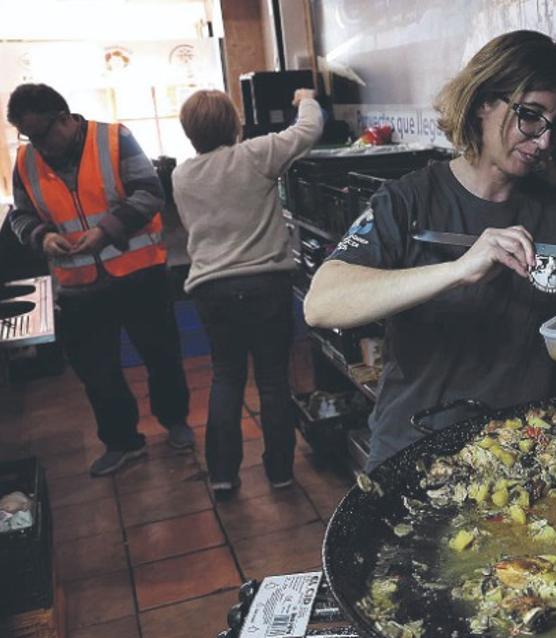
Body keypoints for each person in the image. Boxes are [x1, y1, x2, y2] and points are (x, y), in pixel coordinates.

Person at [304, 30, 556, 471]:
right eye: (531, 116)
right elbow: (321, 303)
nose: (543, 141)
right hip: (420, 449)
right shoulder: (408, 201)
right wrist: (458, 270)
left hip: (524, 453)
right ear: (484, 101)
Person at [7, 83, 193, 477]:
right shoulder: (25, 161)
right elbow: (21, 217)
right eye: (28, 136)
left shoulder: (113, 139)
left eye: (42, 134)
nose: (37, 145)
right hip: (78, 286)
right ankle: (123, 443)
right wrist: (43, 236)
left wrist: (107, 230)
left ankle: (176, 422)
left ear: (64, 119)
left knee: (161, 356)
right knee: (96, 371)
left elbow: (149, 192)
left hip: (139, 274)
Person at [173, 88, 322, 495]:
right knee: (273, 381)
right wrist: (305, 97)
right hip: (264, 284)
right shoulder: (255, 155)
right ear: (233, 124)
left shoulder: (182, 175)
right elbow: (309, 129)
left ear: (188, 132)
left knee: (226, 378)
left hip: (211, 289)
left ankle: (222, 476)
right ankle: (279, 473)